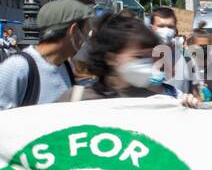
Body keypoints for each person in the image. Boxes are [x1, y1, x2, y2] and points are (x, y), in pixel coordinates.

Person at [56, 13, 200, 106]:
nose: (147, 63)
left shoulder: (162, 102)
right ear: (111, 58)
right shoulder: (74, 99)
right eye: (138, 56)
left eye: (149, 56)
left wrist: (189, 110)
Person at [0, 0, 93, 109]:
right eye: (87, 33)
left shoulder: (66, 67)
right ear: (73, 31)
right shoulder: (17, 68)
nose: (87, 40)